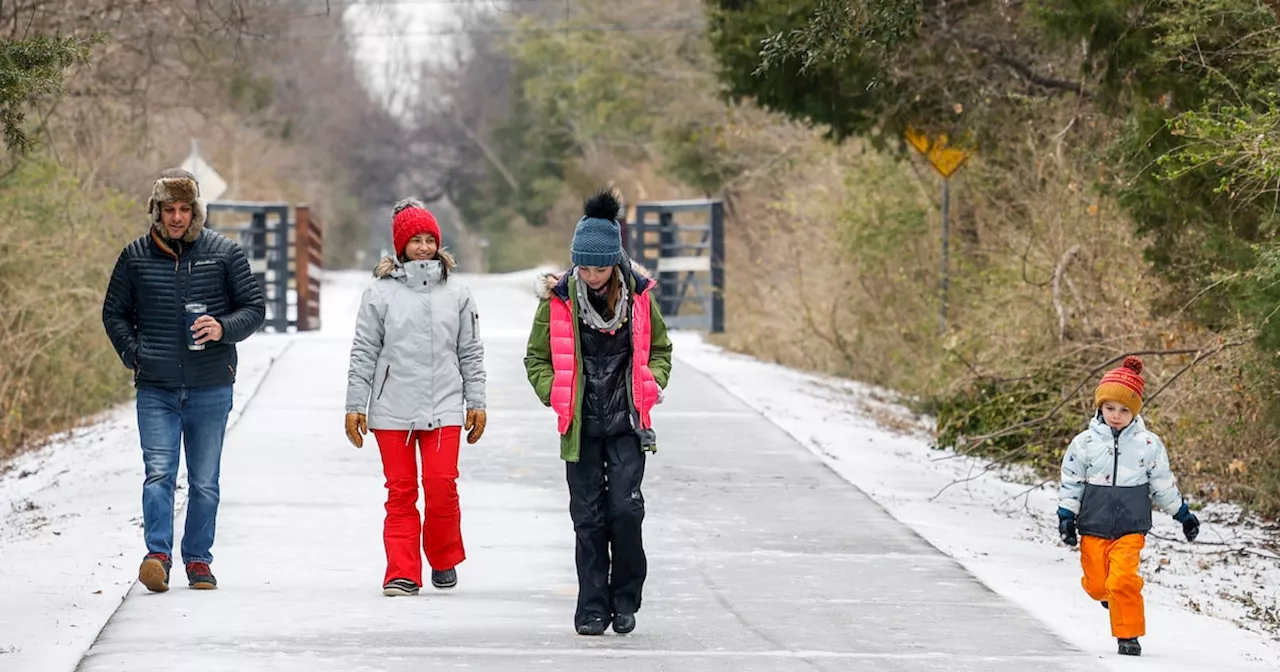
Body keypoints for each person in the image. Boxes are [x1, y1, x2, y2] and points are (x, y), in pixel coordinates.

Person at [102, 168, 266, 593]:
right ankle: (157, 556)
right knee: (158, 474)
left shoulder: (224, 253)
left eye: (184, 209)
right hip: (155, 386)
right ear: (156, 211)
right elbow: (113, 313)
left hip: (211, 384)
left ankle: (198, 560)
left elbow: (254, 308)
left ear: (196, 211)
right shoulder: (135, 256)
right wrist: (134, 354)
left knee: (204, 479)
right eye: (168, 209)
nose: (176, 217)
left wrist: (223, 328)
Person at [524, 190, 674, 636]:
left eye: (600, 267)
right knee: (587, 518)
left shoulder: (640, 299)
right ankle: (591, 606)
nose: (591, 276)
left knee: (625, 512)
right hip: (581, 428)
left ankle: (625, 598)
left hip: (627, 424)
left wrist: (651, 384)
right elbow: (536, 359)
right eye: (584, 267)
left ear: (616, 262)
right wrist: (556, 393)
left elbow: (661, 349)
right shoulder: (558, 300)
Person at [344, 198, 487, 597]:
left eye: (429, 239)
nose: (423, 247)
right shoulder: (379, 294)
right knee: (401, 492)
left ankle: (443, 557)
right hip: (392, 409)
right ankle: (402, 572)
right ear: (401, 245)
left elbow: (470, 352)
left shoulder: (457, 293)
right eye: (415, 240)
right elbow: (364, 352)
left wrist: (476, 401)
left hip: (444, 404)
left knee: (442, 487)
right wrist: (356, 406)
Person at [1056, 355, 1200, 657]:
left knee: (1123, 580)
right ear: (1100, 407)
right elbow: (1072, 482)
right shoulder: (1084, 443)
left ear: (1134, 411)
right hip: (1093, 525)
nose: (1116, 415)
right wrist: (1066, 516)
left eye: (1124, 410)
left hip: (1130, 527)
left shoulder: (1148, 445)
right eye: (1110, 408)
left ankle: (1129, 636)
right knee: (1097, 586)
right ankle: (1112, 596)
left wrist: (1183, 515)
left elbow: (1162, 484)